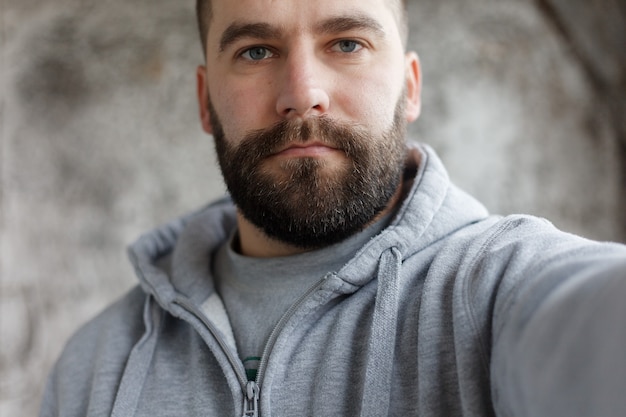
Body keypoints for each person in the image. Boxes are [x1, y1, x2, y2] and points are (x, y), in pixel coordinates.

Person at [40, 0, 626, 416]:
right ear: (205, 101)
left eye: (347, 43)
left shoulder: (499, 285)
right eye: (255, 50)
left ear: (410, 86)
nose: (302, 93)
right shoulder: (97, 364)